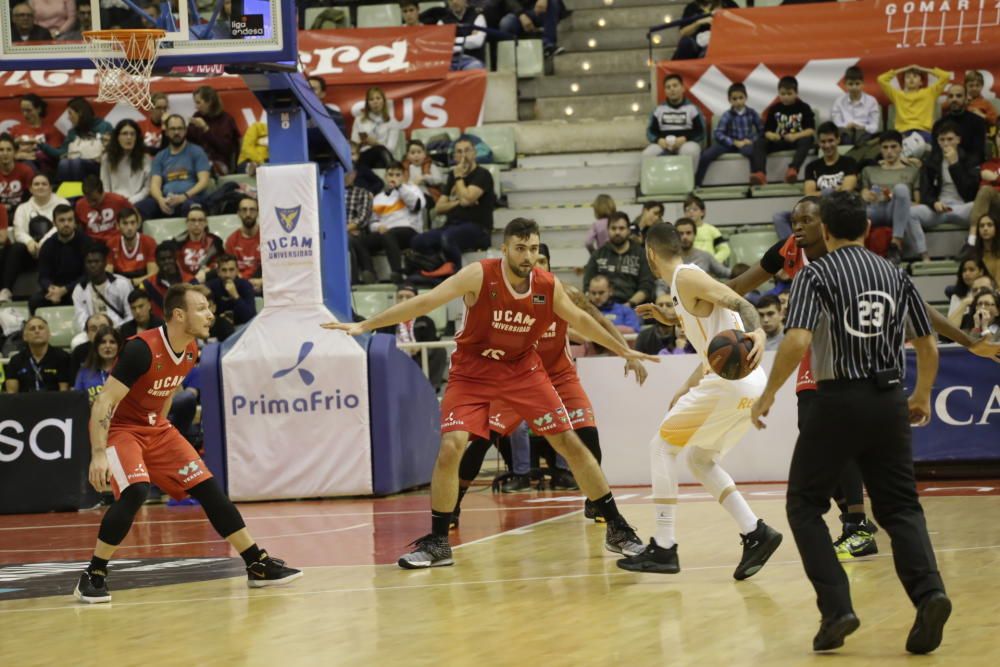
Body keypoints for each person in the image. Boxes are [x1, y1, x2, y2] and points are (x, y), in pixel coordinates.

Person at [322, 218, 657, 569]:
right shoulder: (479, 275)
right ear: (505, 248)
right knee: (453, 448)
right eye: (520, 248)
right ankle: (438, 541)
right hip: (472, 373)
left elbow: (582, 319)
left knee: (571, 443)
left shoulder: (547, 285)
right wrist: (365, 325)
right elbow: (428, 301)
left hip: (523, 371)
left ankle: (617, 528)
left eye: (533, 249)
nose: (527, 256)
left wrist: (623, 350)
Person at [751, 191, 950, 655]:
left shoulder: (815, 273)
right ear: (864, 227)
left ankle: (837, 608)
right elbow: (926, 342)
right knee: (901, 507)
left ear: (828, 229)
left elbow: (797, 340)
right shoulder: (894, 273)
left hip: (836, 400)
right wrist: (921, 394)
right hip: (889, 400)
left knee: (803, 506)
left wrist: (767, 393)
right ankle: (930, 594)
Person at [74, 283, 301, 603]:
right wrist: (99, 454)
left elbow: (165, 395)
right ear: (179, 315)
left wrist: (162, 428)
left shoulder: (192, 348)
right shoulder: (141, 349)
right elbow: (103, 403)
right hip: (124, 430)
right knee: (136, 491)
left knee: (207, 487)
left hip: (158, 430)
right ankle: (94, 572)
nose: (210, 314)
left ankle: (256, 564)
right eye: (202, 308)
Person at [616, 221, 781, 579]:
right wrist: (671, 318)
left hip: (730, 383)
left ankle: (663, 546)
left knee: (661, 448)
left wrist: (756, 330)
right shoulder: (682, 289)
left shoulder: (685, 277)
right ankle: (756, 532)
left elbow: (738, 300)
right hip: (746, 384)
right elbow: (711, 343)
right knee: (700, 459)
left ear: (649, 253)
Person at [454, 244, 647, 523]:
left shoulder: (564, 293)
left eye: (542, 258)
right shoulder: (504, 295)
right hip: (517, 378)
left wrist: (625, 352)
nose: (536, 263)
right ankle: (454, 504)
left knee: (588, 434)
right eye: (532, 257)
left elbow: (598, 320)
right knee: (482, 440)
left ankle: (596, 502)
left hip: (559, 376)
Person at [415, 138, 495, 274]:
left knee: (448, 237)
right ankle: (438, 267)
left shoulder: (482, 174)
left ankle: (457, 274)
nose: (464, 155)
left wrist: (459, 178)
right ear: (455, 156)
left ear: (474, 153)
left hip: (477, 227)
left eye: (467, 150)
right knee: (419, 241)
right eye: (459, 151)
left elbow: (469, 198)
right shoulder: (452, 175)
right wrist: (459, 201)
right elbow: (439, 207)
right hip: (452, 225)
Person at [773, 122, 859, 239]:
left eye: (831, 140)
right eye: (823, 142)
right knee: (779, 217)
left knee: (829, 193)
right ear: (818, 143)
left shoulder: (849, 162)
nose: (827, 145)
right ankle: (794, 251)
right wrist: (831, 191)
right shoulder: (812, 166)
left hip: (839, 211)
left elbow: (846, 191)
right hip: (816, 212)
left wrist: (826, 193)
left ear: (838, 140)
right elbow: (809, 195)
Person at [861, 130, 924, 264]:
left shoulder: (912, 171)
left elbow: (917, 203)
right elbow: (864, 193)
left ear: (901, 148)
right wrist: (864, 194)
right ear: (880, 149)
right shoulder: (869, 170)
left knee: (901, 189)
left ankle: (896, 244)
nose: (889, 151)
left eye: (893, 147)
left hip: (897, 210)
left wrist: (897, 198)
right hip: (874, 210)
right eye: (885, 147)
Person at [374, 282, 446, 390]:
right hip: (394, 359)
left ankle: (430, 390)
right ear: (395, 300)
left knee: (439, 350)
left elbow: (431, 343)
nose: (404, 300)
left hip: (418, 359)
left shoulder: (426, 321)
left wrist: (419, 348)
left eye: (408, 297)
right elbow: (381, 341)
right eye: (400, 297)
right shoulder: (385, 320)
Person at [911, 122, 980, 232]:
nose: (946, 143)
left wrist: (954, 165)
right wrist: (934, 203)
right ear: (938, 141)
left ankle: (974, 246)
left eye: (950, 139)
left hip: (963, 208)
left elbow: (971, 192)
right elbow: (925, 192)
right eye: (942, 140)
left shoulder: (970, 160)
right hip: (939, 209)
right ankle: (921, 249)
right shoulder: (931, 162)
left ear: (958, 140)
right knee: (911, 213)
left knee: (981, 208)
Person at [145, 115, 212, 219]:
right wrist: (160, 200)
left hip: (192, 198)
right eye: (172, 129)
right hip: (167, 200)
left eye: (180, 128)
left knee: (188, 207)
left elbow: (204, 182)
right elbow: (154, 185)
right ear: (166, 132)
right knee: (143, 207)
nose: (176, 132)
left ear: (185, 131)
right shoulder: (160, 156)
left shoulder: (197, 151)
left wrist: (183, 197)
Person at [695, 82, 762, 186]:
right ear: (729, 100)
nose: (738, 101)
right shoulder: (727, 115)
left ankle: (755, 181)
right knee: (706, 155)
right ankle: (697, 183)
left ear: (746, 97)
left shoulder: (752, 113)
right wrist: (733, 142)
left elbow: (761, 131)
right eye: (734, 99)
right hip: (729, 144)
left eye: (741, 98)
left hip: (746, 143)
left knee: (753, 152)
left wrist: (751, 140)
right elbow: (718, 133)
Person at [752, 76, 816, 185]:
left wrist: (795, 136)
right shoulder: (774, 109)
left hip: (797, 141)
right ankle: (760, 173)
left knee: (808, 139)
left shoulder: (804, 107)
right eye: (782, 94)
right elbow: (767, 131)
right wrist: (771, 135)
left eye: (789, 94)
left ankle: (793, 170)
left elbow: (811, 130)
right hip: (778, 141)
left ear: (796, 93)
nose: (785, 97)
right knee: (759, 142)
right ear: (778, 93)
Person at [878, 64, 952, 157]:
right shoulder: (897, 95)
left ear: (921, 82)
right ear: (904, 81)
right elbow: (881, 79)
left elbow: (946, 76)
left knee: (940, 151)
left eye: (915, 76)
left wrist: (922, 68)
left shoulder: (929, 93)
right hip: (903, 133)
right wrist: (904, 69)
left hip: (924, 133)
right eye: (908, 77)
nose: (911, 79)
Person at [583, 212, 657, 305]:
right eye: (613, 228)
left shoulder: (641, 254)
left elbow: (647, 286)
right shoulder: (598, 255)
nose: (617, 232)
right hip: (602, 307)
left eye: (621, 228)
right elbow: (587, 286)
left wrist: (629, 304)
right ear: (608, 230)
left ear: (628, 230)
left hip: (632, 307)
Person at [368, 161, 424, 282]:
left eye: (397, 175)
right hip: (385, 232)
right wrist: (378, 226)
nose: (393, 178)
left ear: (403, 176)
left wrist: (399, 187)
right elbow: (372, 222)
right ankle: (369, 273)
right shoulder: (379, 197)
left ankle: (397, 272)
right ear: (385, 176)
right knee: (360, 241)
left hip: (409, 230)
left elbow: (416, 206)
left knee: (389, 234)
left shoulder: (412, 189)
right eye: (391, 175)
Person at [31, 203, 87, 313]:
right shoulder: (47, 245)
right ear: (54, 223)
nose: (66, 224)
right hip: (54, 291)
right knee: (34, 301)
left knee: (80, 298)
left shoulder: (86, 243)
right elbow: (43, 276)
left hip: (78, 289)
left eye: (70, 220)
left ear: (75, 222)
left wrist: (65, 290)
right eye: (62, 220)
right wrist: (50, 288)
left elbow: (87, 276)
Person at [41, 97, 112, 182]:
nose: (68, 118)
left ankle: (78, 191)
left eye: (70, 113)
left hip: (100, 165)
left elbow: (114, 148)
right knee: (63, 163)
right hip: (77, 163)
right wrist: (41, 144)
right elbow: (62, 152)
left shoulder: (104, 126)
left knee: (76, 162)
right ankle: (64, 191)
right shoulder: (72, 132)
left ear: (80, 113)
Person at [643, 73, 706, 170]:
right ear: (665, 91)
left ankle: (691, 182)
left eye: (675, 86)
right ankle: (651, 183)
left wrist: (685, 139)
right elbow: (650, 131)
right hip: (663, 143)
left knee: (691, 151)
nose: (672, 89)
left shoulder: (692, 108)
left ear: (682, 88)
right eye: (668, 87)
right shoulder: (659, 110)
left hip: (686, 143)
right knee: (647, 154)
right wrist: (658, 140)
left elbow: (701, 131)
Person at [72, 243, 133, 331]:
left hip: (119, 330)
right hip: (93, 332)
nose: (93, 265)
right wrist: (91, 332)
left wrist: (119, 329)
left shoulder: (121, 283)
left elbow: (130, 314)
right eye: (89, 262)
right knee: (76, 342)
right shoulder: (80, 289)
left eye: (97, 262)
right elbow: (81, 319)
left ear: (105, 263)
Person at [3, 315, 71, 393]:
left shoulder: (62, 357)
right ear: (24, 336)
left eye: (41, 328)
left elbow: (64, 394)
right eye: (32, 329)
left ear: (49, 334)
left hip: (54, 403)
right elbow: (12, 395)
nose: (37, 331)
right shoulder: (16, 360)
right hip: (24, 404)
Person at [101, 119, 153, 216]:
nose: (129, 137)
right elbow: (105, 186)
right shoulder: (107, 158)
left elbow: (147, 188)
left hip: (137, 201)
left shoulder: (145, 158)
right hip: (114, 201)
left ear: (136, 137)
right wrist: (116, 200)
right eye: (125, 134)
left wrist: (132, 200)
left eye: (132, 134)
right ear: (117, 137)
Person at [186, 86, 241, 175]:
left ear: (209, 102)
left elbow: (226, 149)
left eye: (198, 103)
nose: (196, 107)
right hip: (198, 160)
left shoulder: (226, 120)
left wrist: (205, 129)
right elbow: (189, 142)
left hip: (220, 162)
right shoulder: (197, 116)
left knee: (207, 170)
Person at [931, 83, 988, 165]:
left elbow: (978, 154)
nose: (954, 99)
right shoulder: (938, 124)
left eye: (959, 96)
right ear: (947, 100)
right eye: (951, 96)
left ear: (966, 98)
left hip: (969, 168)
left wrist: (958, 165)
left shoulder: (978, 122)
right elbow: (935, 153)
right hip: (944, 166)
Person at [75, 174, 131, 249]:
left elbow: (136, 217)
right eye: (88, 200)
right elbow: (78, 228)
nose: (91, 204)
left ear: (102, 193)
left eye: (95, 200)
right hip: (92, 245)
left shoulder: (118, 200)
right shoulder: (80, 205)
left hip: (116, 242)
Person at [351, 87, 400, 170]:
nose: (375, 102)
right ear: (368, 103)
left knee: (380, 152)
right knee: (379, 151)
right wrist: (361, 143)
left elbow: (391, 148)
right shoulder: (359, 120)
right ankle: (392, 170)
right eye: (371, 99)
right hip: (365, 155)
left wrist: (375, 143)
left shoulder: (392, 122)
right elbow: (354, 144)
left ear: (383, 101)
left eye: (378, 98)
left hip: (384, 155)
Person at [832, 66, 881, 147]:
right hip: (845, 133)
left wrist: (863, 127)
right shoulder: (839, 101)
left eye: (857, 84)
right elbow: (836, 123)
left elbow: (875, 126)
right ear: (845, 85)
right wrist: (846, 126)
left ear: (863, 84)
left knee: (864, 138)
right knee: (844, 136)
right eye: (850, 84)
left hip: (864, 132)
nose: (854, 87)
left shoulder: (871, 101)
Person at [10, 94, 59, 172]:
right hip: (19, 167)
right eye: (23, 110)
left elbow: (55, 155)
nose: (25, 114)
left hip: (43, 169)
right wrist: (16, 155)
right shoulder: (16, 129)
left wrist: (35, 154)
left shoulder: (51, 130)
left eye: (29, 110)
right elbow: (5, 151)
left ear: (38, 109)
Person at [107, 208, 157, 286]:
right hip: (119, 285)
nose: (129, 228)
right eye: (125, 223)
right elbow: (108, 274)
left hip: (142, 284)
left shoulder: (149, 242)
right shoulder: (111, 243)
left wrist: (132, 282)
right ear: (118, 226)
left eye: (132, 223)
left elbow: (153, 274)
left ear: (138, 224)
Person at [672, 0, 737, 60]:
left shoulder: (729, 4)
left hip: (723, 42)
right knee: (685, 43)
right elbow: (683, 32)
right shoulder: (691, 7)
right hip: (698, 44)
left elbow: (740, 26)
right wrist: (698, 23)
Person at [74, 325, 122, 404]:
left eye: (112, 342)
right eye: (103, 342)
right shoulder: (84, 372)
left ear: (119, 346)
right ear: (96, 347)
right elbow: (77, 401)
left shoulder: (126, 371)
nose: (107, 346)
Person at [141, 240, 187, 320]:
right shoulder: (146, 285)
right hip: (158, 328)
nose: (167, 262)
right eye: (163, 259)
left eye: (170, 258)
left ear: (175, 259)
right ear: (157, 262)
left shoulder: (190, 281)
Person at [224, 197, 262, 292]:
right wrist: (245, 283)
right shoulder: (232, 240)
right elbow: (229, 269)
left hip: (264, 284)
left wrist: (262, 281)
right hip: (240, 286)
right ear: (238, 213)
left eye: (252, 210)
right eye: (244, 210)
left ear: (258, 212)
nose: (248, 214)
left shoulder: (267, 237)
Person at [205, 254, 256, 325]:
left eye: (231, 270)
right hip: (219, 326)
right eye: (224, 270)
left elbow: (251, 318)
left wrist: (235, 296)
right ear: (218, 272)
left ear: (237, 271)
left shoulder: (245, 285)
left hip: (242, 327)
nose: (227, 275)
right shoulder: (211, 286)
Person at [437, 0, 487, 70]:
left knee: (475, 67)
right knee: (438, 68)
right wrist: (468, 39)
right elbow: (441, 46)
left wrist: (452, 41)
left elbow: (477, 42)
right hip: (450, 61)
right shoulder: (442, 22)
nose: (454, 2)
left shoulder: (478, 17)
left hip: (472, 60)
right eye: (451, 0)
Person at [684, 194, 730, 263]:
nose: (691, 212)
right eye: (688, 209)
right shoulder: (681, 231)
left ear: (702, 212)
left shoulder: (711, 230)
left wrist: (712, 262)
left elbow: (725, 250)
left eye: (695, 209)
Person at [0, 133, 35, 217]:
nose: (5, 153)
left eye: (9, 150)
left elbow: (32, 199)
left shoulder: (26, 171)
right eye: (1, 150)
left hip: (21, 213)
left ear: (15, 152)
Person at [402, 139, 445, 204]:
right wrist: (412, 184)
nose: (416, 155)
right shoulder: (404, 168)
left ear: (424, 154)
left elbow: (439, 180)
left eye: (419, 152)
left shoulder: (431, 166)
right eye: (412, 153)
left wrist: (425, 178)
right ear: (408, 156)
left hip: (428, 195)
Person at [972, 213, 1000, 280]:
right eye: (982, 226)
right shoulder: (974, 254)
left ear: (996, 228)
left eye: (989, 225)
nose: (985, 228)